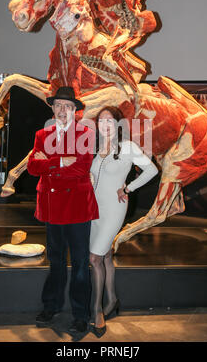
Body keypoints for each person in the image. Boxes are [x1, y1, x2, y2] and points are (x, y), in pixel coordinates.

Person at [27, 86, 99, 333]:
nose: (62, 110)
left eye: (67, 106)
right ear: (52, 108)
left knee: (80, 263)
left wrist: (48, 166)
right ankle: (52, 306)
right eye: (58, 105)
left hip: (77, 207)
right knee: (55, 260)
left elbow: (81, 168)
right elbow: (32, 168)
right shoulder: (41, 134)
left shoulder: (86, 134)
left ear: (75, 111)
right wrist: (59, 161)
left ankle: (80, 314)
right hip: (52, 206)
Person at [89, 106, 158, 337]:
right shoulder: (97, 148)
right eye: (101, 120)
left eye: (109, 120)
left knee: (94, 258)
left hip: (114, 208)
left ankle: (97, 309)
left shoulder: (127, 147)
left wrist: (129, 187)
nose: (105, 124)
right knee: (106, 254)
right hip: (93, 210)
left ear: (117, 124)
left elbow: (151, 170)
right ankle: (112, 300)